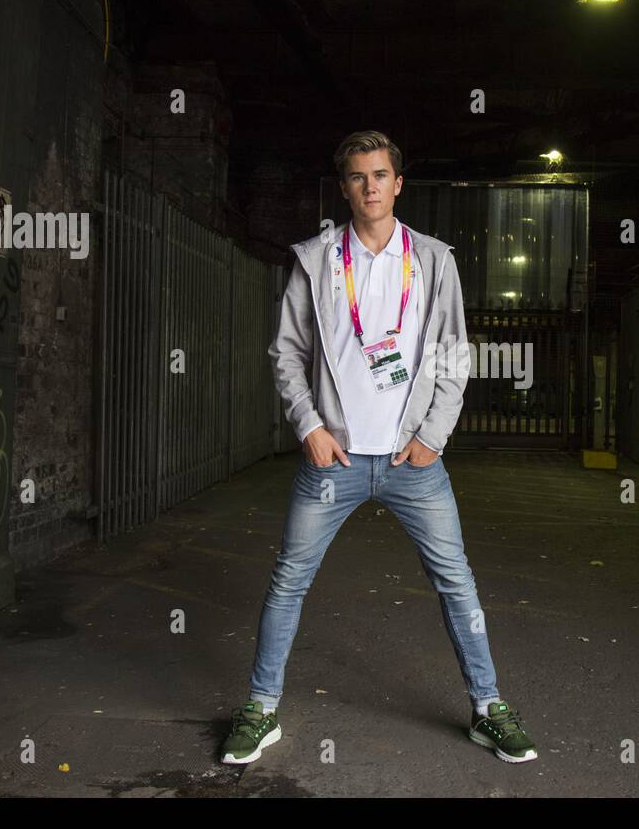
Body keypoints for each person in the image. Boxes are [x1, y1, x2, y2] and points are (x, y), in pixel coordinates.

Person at [221, 130, 537, 765]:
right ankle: (260, 707)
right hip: (333, 461)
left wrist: (431, 438)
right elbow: (288, 353)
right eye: (359, 177)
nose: (371, 186)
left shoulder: (432, 261)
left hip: (411, 463)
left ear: (398, 184)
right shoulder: (315, 260)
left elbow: (454, 356)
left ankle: (488, 707)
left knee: (457, 583)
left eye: (381, 175)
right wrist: (309, 425)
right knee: (288, 581)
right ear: (345, 188)